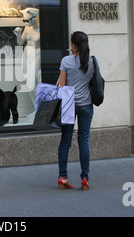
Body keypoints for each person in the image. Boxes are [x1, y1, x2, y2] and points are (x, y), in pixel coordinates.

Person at [57, 31, 95, 191]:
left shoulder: (66, 61)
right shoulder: (92, 62)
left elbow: (62, 86)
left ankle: (63, 177)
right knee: (83, 141)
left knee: (66, 140)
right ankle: (85, 178)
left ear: (74, 45)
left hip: (69, 105)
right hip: (86, 105)